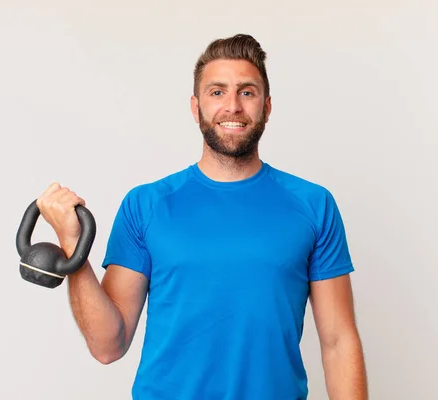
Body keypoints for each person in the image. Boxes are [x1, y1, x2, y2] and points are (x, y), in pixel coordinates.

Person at [36, 33, 368, 400]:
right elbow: (107, 345)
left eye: (247, 92)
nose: (233, 106)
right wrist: (73, 247)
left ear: (267, 107)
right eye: (217, 92)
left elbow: (338, 342)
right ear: (196, 108)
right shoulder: (146, 205)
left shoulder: (313, 204)